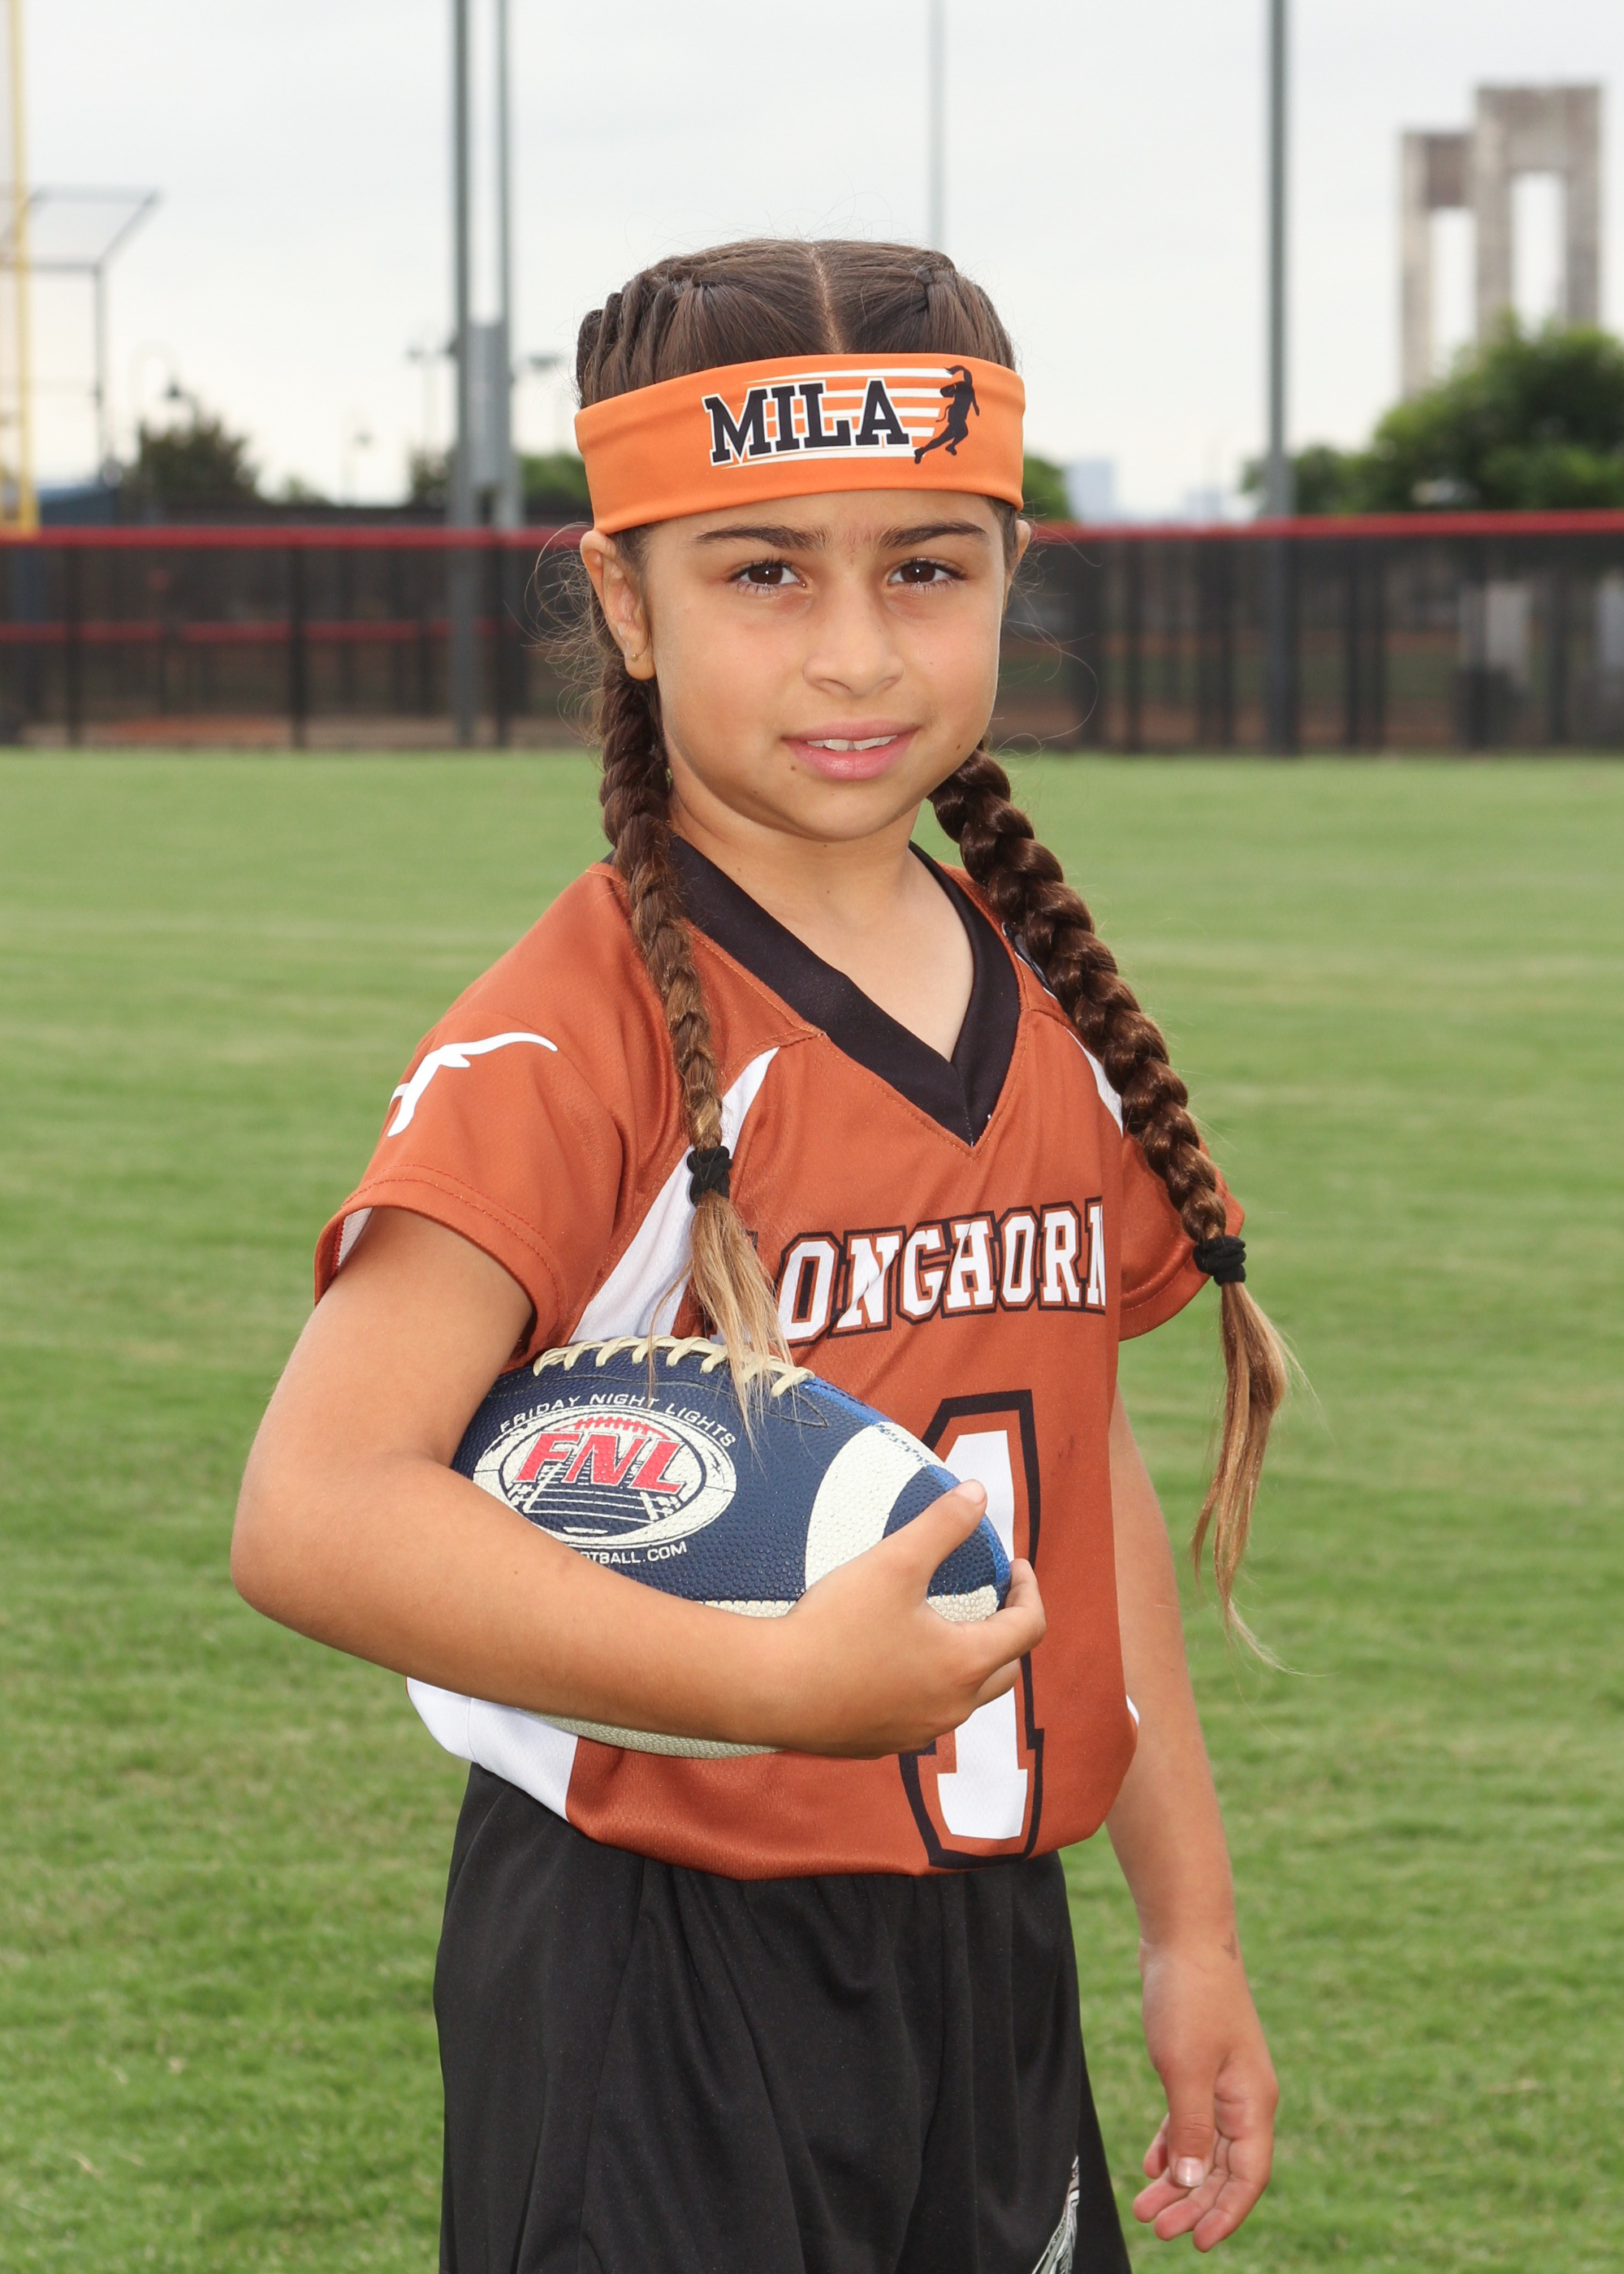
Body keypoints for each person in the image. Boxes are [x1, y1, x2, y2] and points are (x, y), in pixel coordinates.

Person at [232, 239, 1286, 2274]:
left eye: (926, 568)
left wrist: (1190, 1926)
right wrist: (768, 1682)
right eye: (765, 572)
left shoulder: (1039, 1005)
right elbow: (313, 1508)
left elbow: (1079, 1482)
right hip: (661, 1965)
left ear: (1010, 574)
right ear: (626, 600)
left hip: (988, 1942)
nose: (857, 653)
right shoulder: (576, 1036)